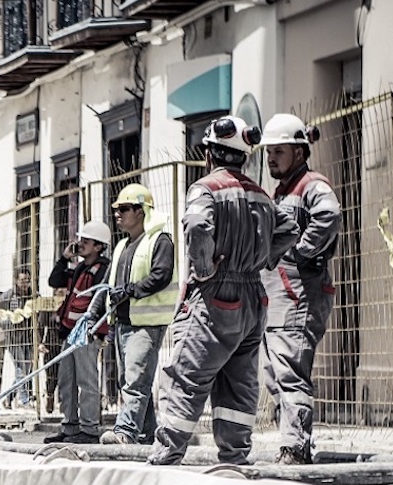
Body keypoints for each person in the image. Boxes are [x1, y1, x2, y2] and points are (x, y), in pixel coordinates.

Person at [150, 116, 297, 466]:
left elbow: (199, 225)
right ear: (244, 157)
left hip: (215, 294)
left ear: (208, 154)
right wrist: (262, 258)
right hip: (252, 300)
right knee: (239, 384)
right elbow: (289, 228)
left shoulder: (205, 188)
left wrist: (205, 267)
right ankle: (234, 460)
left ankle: (166, 459)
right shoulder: (261, 195)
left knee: (187, 377)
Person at [260, 113, 342, 465]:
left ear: (299, 151)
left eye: (278, 151)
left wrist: (301, 252)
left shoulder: (311, 185)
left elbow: (330, 214)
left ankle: (294, 447)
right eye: (268, 152)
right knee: (274, 373)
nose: (271, 158)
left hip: (299, 297)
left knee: (289, 371)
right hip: (280, 298)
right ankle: (294, 442)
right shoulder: (282, 191)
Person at [99, 184, 178, 445]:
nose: (117, 214)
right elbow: (110, 283)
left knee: (135, 380)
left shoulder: (160, 241)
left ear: (141, 211)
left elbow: (161, 275)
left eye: (123, 209)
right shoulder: (123, 245)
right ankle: (147, 432)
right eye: (116, 209)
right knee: (131, 379)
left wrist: (131, 290)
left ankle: (126, 431)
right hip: (123, 322)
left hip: (147, 323)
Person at [44, 221, 112, 444]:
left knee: (86, 381)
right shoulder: (80, 268)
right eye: (80, 240)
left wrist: (92, 329)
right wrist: (64, 258)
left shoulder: (103, 269)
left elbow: (100, 300)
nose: (80, 244)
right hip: (70, 333)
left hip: (88, 333)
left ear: (99, 246)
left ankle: (89, 429)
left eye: (86, 241)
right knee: (66, 380)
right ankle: (70, 426)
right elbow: (54, 280)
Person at [0, 269, 37, 408]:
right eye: (22, 280)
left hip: (29, 337)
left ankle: (8, 397)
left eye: (27, 281)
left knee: (27, 370)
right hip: (13, 338)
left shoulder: (33, 296)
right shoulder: (7, 297)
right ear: (16, 281)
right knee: (20, 368)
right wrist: (8, 322)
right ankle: (25, 400)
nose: (25, 284)